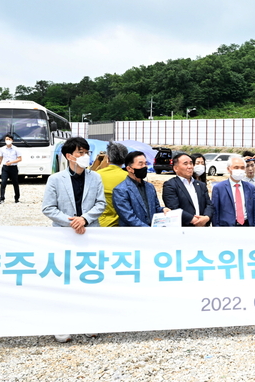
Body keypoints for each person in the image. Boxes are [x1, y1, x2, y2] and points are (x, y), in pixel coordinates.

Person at [42, 136, 105, 344]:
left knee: (88, 279)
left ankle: (87, 321)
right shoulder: (55, 179)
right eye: (81, 152)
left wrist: (84, 219)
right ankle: (62, 323)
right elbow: (48, 208)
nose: (85, 155)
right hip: (64, 235)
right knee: (64, 280)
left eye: (87, 152)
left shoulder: (95, 177)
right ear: (69, 156)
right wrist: (72, 222)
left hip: (89, 233)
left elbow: (100, 204)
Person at [113, 151, 169, 227]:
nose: (144, 167)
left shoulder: (150, 187)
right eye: (140, 164)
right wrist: (148, 229)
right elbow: (128, 217)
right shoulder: (121, 190)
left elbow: (155, 208)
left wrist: (163, 210)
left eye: (145, 163)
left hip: (151, 229)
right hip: (133, 232)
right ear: (129, 168)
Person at [162, 153, 213, 227]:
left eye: (191, 163)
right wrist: (194, 220)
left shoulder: (201, 185)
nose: (190, 167)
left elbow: (209, 204)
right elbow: (174, 208)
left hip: (203, 227)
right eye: (185, 164)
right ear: (175, 168)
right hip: (184, 228)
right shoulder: (170, 185)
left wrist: (206, 217)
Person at [211, 156, 255, 226]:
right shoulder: (219, 188)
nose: (239, 170)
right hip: (227, 227)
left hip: (247, 225)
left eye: (242, 168)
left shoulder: (250, 187)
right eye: (236, 167)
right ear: (228, 169)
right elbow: (215, 212)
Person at [96, 141, 128, 227]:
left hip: (100, 224)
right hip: (122, 225)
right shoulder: (129, 177)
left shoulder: (96, 175)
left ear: (108, 158)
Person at [0, 134, 22, 204]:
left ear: (12, 140)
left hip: (13, 168)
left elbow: (19, 159)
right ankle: (1, 198)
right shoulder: (2, 149)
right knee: (3, 182)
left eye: (9, 139)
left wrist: (11, 162)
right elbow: (0, 159)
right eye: (6, 139)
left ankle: (17, 199)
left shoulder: (16, 149)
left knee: (15, 183)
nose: (8, 140)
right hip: (5, 168)